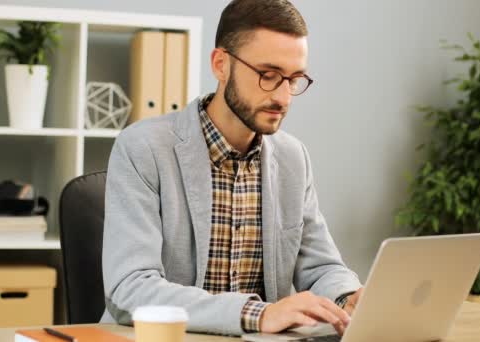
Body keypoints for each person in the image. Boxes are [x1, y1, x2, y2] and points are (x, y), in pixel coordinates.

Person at [101, 0, 363, 336]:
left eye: (294, 79)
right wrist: (257, 314)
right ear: (221, 64)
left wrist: (346, 297)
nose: (283, 97)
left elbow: (321, 265)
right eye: (268, 76)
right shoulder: (142, 148)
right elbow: (131, 288)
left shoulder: (293, 158)